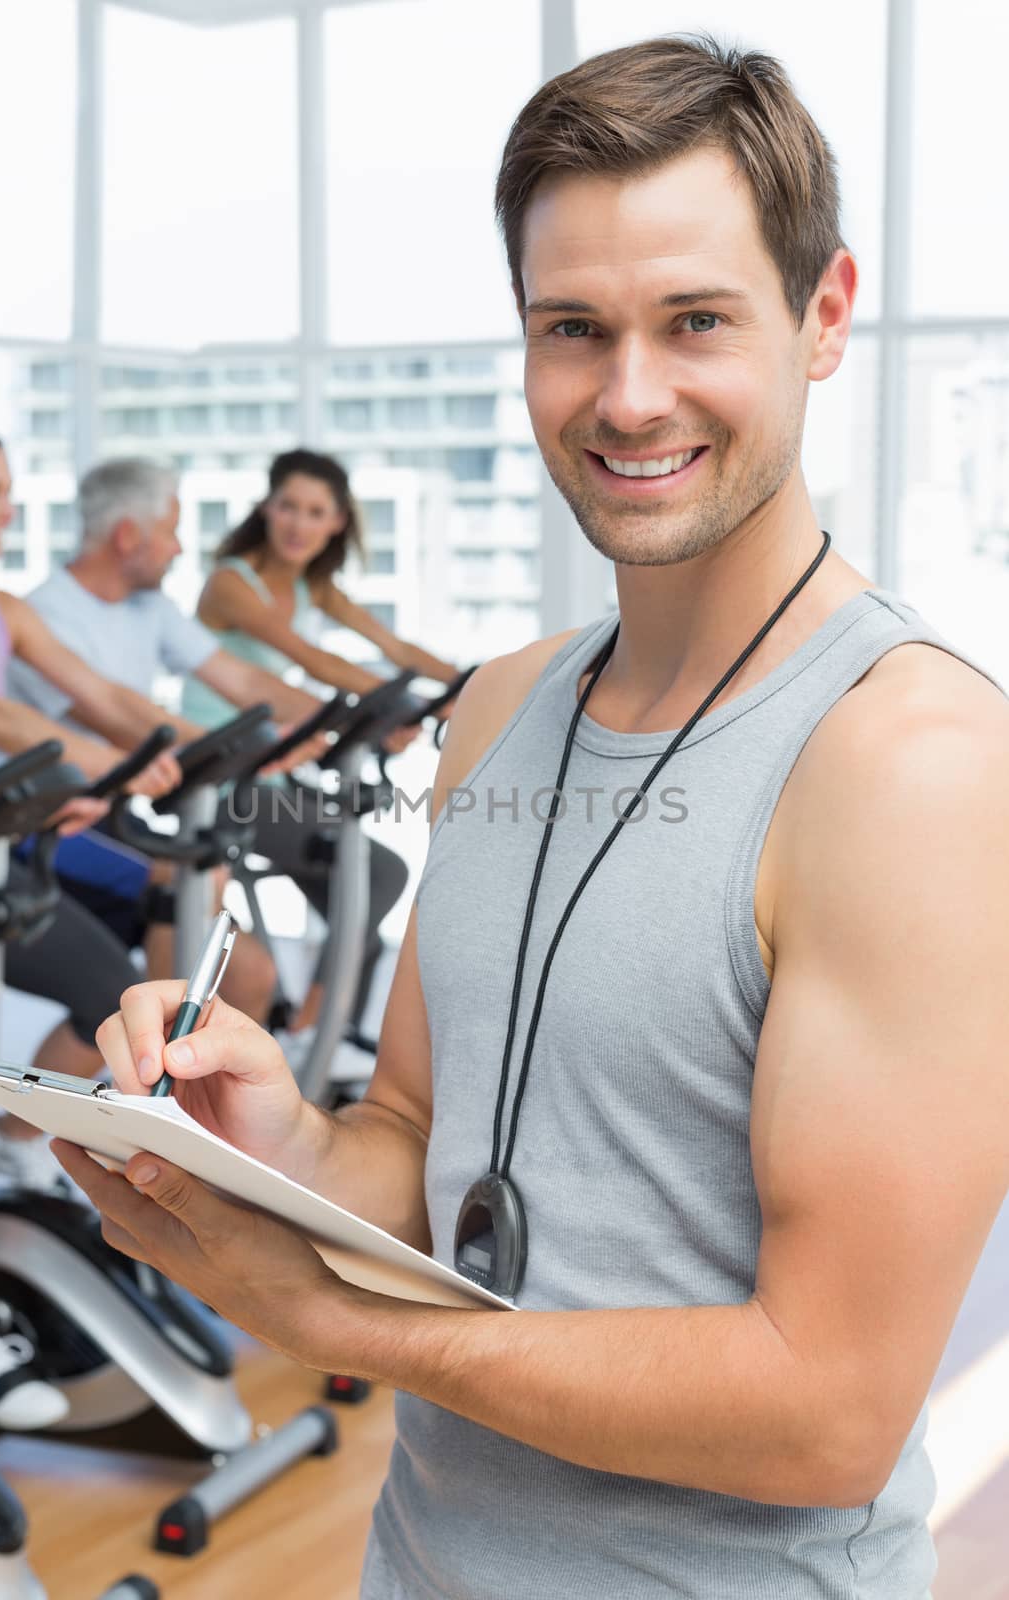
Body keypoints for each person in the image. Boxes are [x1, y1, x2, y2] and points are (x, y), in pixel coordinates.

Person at [55, 36, 1009, 1600]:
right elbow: (420, 1148)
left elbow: (826, 1411)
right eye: (573, 329)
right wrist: (277, 1135)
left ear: (821, 317)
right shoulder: (500, 705)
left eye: (694, 320)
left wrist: (321, 1319)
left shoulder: (908, 759)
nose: (627, 397)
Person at [0, 421, 180, 1426]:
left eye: (9, 491)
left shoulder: (1, 607)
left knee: (114, 991)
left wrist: (165, 748)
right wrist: (71, 773)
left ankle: (18, 1138)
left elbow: (96, 695)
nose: (6, 510)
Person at [184, 447, 458, 1034]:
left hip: (274, 772)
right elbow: (310, 658)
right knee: (370, 871)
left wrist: (470, 685)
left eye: (315, 512)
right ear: (266, 507)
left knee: (373, 875)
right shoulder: (232, 583)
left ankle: (320, 1030)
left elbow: (398, 650)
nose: (297, 524)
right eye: (288, 507)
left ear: (337, 522)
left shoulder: (314, 586)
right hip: (223, 781)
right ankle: (315, 1030)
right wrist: (399, 706)